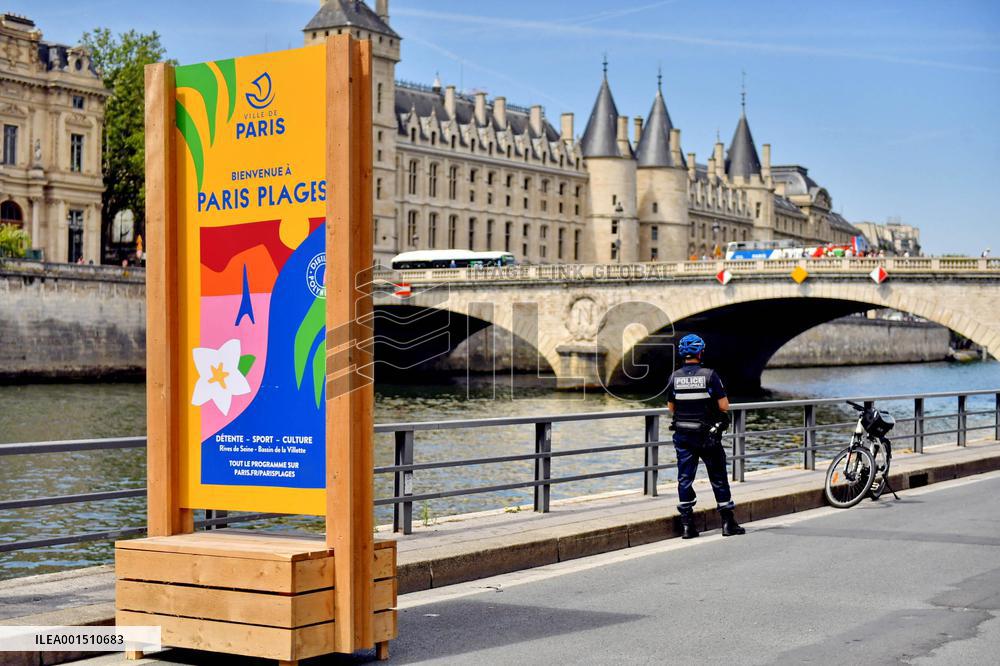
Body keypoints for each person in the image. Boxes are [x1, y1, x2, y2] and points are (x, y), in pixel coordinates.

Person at [666, 334, 745, 539]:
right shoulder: (710, 376)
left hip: (683, 435)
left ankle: (687, 526)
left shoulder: (674, 377)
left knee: (685, 478)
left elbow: (671, 407)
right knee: (718, 476)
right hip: (707, 436)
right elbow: (724, 406)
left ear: (682, 354)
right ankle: (728, 523)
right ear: (700, 353)